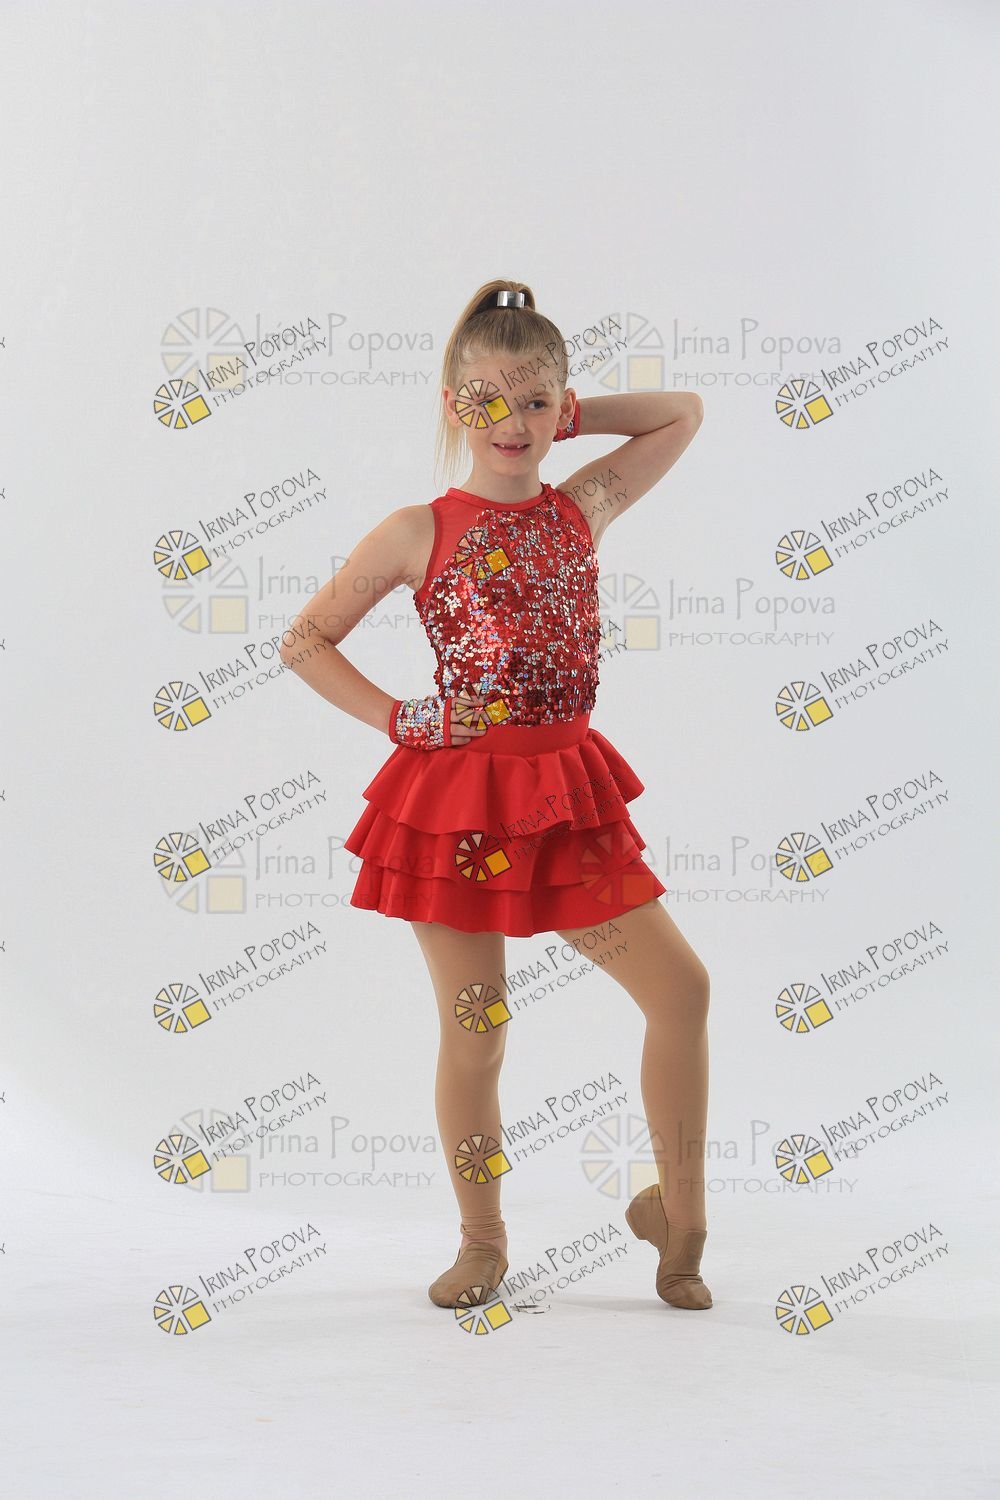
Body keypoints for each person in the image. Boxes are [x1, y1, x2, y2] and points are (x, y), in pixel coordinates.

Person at [280, 279, 712, 1313]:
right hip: (456, 807)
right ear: (450, 404)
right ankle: (482, 1240)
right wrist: (403, 718)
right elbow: (304, 640)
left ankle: (681, 1219)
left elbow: (681, 412)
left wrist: (576, 417)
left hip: (566, 797)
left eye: (533, 402)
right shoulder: (415, 530)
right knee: (479, 1030)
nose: (509, 422)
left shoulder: (583, 505)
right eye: (485, 400)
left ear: (561, 407)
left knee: (681, 992)